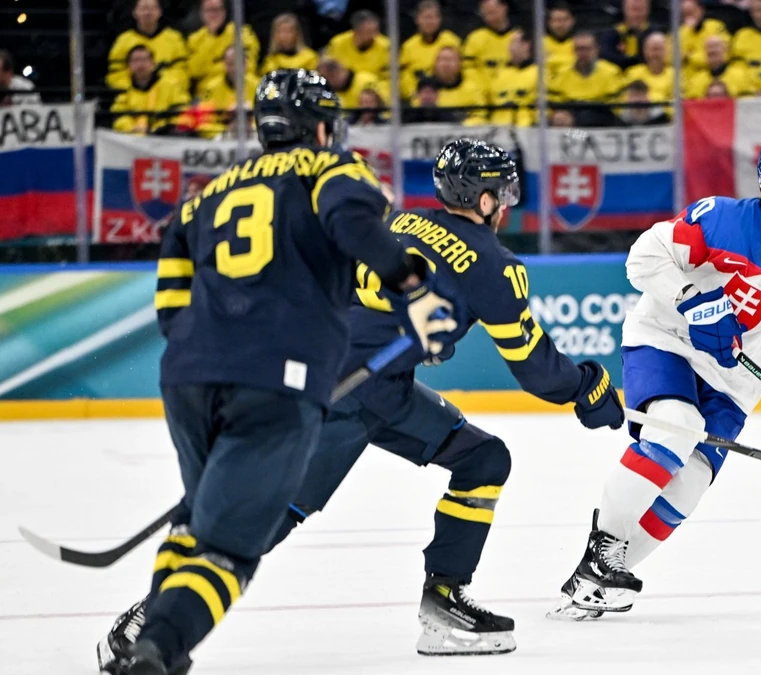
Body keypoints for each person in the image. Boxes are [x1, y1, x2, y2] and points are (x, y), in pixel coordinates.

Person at [99, 138, 623, 668]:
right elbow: (535, 367)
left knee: (484, 458)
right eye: (501, 192)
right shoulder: (493, 264)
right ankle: (151, 622)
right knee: (258, 520)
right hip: (348, 399)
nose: (507, 202)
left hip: (364, 383)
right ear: (484, 199)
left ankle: (444, 602)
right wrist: (587, 388)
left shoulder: (404, 223)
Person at [110, 69, 459, 675]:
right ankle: (157, 650)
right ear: (321, 126)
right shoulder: (331, 169)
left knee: (199, 521)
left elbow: (170, 298)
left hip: (187, 377)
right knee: (231, 552)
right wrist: (416, 292)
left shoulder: (206, 194)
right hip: (275, 383)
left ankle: (155, 640)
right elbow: (355, 227)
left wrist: (208, 352)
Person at [549, 139, 761, 619]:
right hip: (666, 339)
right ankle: (603, 548)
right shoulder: (719, 219)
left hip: (734, 380)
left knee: (690, 481)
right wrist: (693, 297)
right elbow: (642, 260)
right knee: (677, 424)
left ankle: (604, 574)